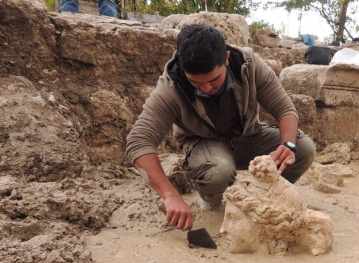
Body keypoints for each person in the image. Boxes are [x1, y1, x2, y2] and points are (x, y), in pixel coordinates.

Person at [125, 24, 316, 231]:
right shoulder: (171, 87)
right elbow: (139, 141)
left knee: (303, 149)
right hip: (205, 145)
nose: (206, 88)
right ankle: (211, 200)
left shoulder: (249, 65)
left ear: (225, 58)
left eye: (214, 80)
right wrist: (170, 195)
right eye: (196, 83)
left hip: (248, 136)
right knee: (219, 172)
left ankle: (266, 195)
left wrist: (287, 144)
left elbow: (285, 109)